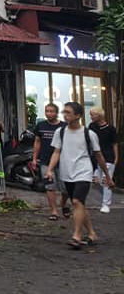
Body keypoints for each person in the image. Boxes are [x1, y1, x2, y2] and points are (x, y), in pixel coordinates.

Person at [46, 102, 115, 249]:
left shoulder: (88, 134)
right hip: (66, 172)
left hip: (83, 172)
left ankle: (76, 236)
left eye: (68, 112)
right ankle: (91, 233)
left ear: (78, 115)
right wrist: (50, 169)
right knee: (80, 205)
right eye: (64, 112)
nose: (65, 115)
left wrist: (107, 176)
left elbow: (99, 155)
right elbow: (56, 152)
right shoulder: (61, 132)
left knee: (77, 202)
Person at [30, 103, 68, 220]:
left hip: (63, 161)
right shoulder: (40, 126)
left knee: (66, 187)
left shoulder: (64, 126)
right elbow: (37, 142)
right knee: (50, 186)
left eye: (51, 111)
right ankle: (54, 211)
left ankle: (64, 204)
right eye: (47, 111)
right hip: (46, 160)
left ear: (57, 113)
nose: (49, 113)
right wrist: (34, 158)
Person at [88, 107, 118, 213]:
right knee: (97, 181)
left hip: (108, 157)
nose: (91, 117)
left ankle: (106, 204)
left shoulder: (110, 129)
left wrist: (116, 157)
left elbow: (114, 144)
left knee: (106, 180)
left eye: (93, 115)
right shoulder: (92, 127)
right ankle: (107, 196)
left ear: (99, 115)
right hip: (95, 158)